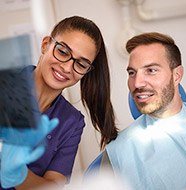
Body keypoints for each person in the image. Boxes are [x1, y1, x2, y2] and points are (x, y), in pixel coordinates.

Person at [0, 15, 118, 190]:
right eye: (63, 51)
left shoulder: (72, 122)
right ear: (46, 44)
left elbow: (52, 187)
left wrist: (19, 174)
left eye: (81, 64)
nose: (67, 67)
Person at [104, 32, 186, 190]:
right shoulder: (117, 152)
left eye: (151, 70)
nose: (137, 83)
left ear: (176, 75)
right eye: (132, 73)